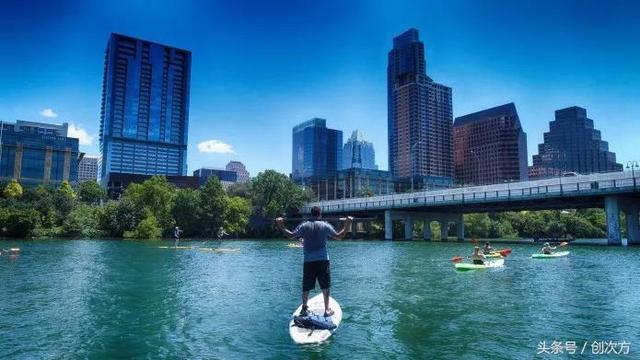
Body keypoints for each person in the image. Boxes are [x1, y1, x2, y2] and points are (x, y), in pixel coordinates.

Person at [275, 206, 353, 318]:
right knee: (325, 286)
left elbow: (290, 235)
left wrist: (280, 225)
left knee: (306, 286)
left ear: (311, 214)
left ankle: (304, 308)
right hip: (323, 260)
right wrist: (347, 224)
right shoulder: (325, 225)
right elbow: (339, 236)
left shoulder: (304, 225)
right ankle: (326, 310)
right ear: (320, 214)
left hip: (309, 261)